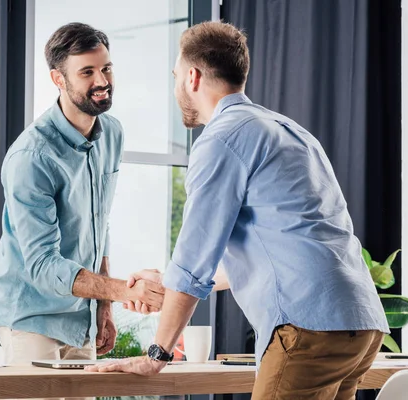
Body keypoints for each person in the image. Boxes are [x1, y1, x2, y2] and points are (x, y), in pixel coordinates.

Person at [87, 21, 389, 400]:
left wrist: (155, 354)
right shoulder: (290, 131)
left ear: (193, 77)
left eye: (176, 75)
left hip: (307, 328)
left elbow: (195, 258)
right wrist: (168, 285)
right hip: (359, 326)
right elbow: (278, 251)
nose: (176, 85)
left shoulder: (222, 139)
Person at [0, 22, 164, 367]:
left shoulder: (111, 133)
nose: (102, 81)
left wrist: (104, 307)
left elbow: (99, 225)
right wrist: (125, 290)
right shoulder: (31, 157)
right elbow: (41, 265)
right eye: (87, 72)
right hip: (31, 317)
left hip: (79, 317)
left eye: (106, 68)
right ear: (58, 79)